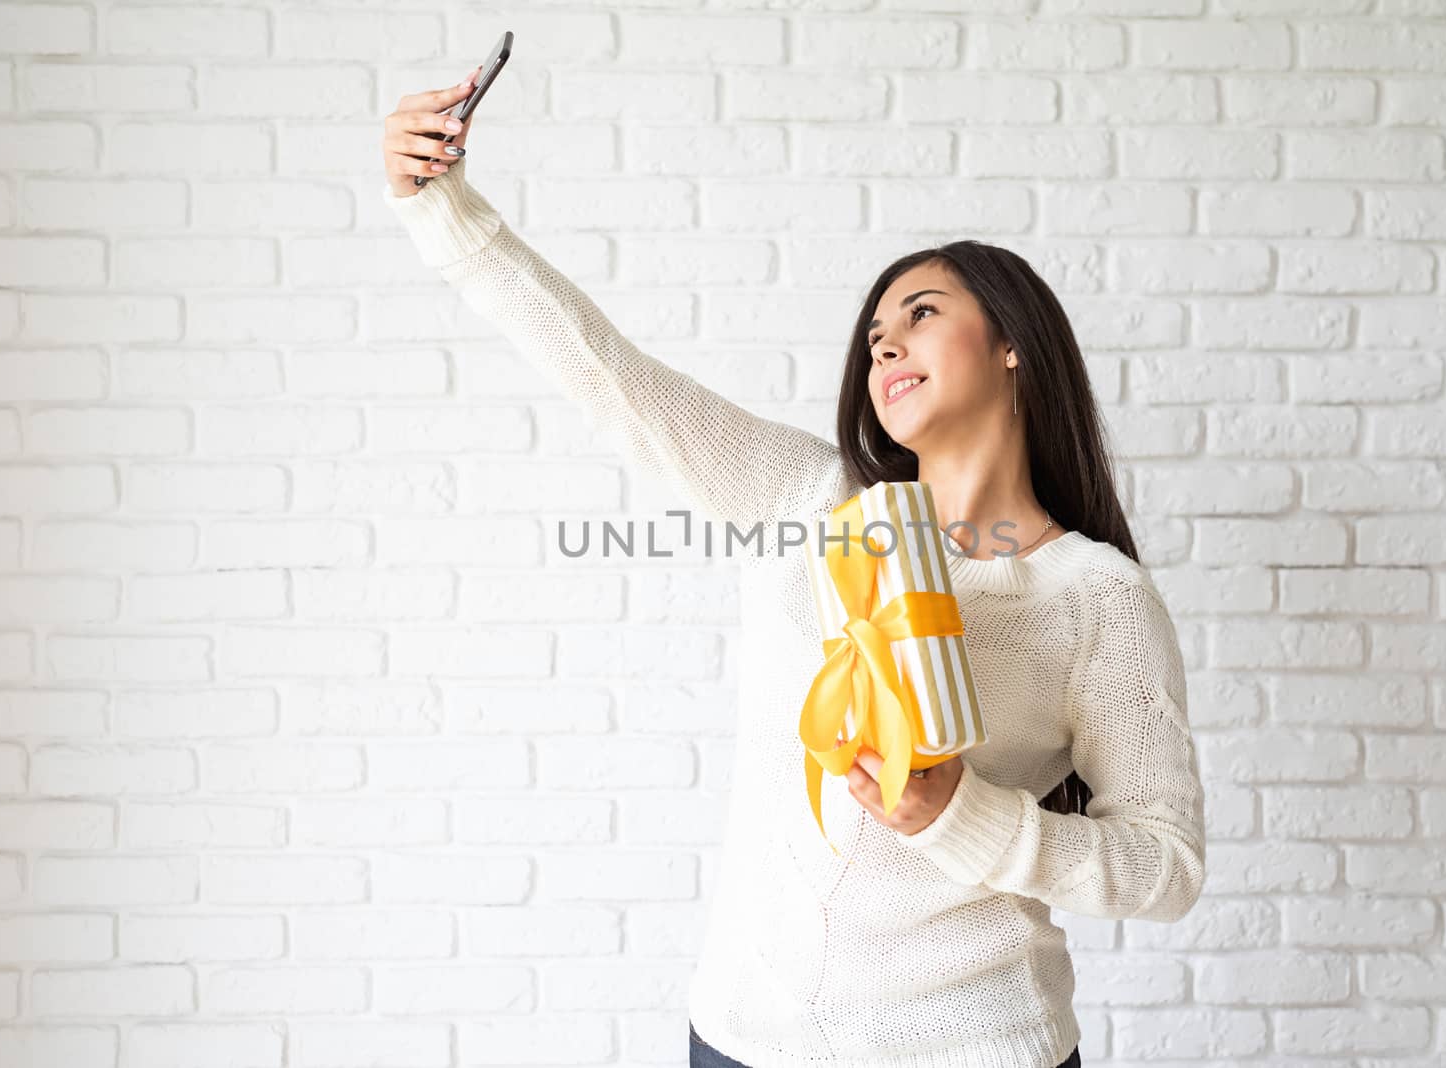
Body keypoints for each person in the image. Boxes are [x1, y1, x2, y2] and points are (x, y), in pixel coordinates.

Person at [381, 72, 1206, 1068]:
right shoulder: (812, 505)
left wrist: (964, 818)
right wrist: (446, 213)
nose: (884, 343)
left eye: (921, 313)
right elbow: (612, 380)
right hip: (739, 1041)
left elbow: (1164, 870)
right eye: (873, 338)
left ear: (1012, 348)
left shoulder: (1096, 598)